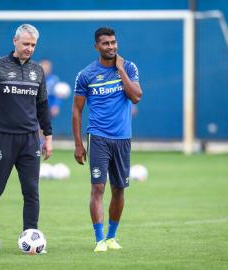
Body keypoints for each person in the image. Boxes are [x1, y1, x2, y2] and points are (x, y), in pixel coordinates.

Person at [0, 24, 52, 238]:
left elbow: (43, 105)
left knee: (31, 191)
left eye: (33, 45)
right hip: (3, 137)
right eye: (26, 43)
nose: (30, 48)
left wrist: (48, 137)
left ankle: (31, 236)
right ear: (15, 41)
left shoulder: (37, 70)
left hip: (30, 139)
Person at [72, 27, 142, 252]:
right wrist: (78, 143)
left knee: (119, 189)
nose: (110, 46)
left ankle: (112, 237)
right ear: (96, 47)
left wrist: (121, 70)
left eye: (113, 42)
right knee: (98, 188)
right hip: (99, 137)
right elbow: (77, 110)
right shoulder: (86, 75)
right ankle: (99, 239)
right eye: (105, 43)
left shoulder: (129, 67)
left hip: (123, 138)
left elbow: (136, 96)